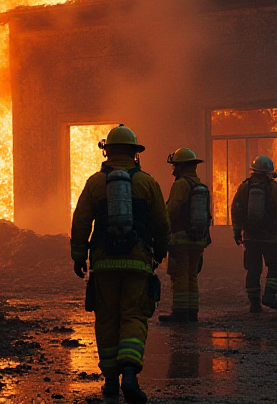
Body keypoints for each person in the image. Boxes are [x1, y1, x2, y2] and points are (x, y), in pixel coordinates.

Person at [70, 124, 170, 404]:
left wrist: (78, 255)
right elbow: (162, 224)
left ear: (107, 152)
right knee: (134, 316)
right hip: (138, 263)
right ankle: (130, 374)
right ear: (134, 153)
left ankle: (111, 381)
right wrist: (160, 252)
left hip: (103, 264)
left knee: (107, 319)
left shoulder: (94, 183)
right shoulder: (147, 182)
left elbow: (80, 221)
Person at [230, 155, 277, 313]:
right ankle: (270, 295)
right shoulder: (273, 187)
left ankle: (254, 303)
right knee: (276, 264)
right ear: (269, 172)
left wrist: (237, 230)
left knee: (253, 269)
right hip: (271, 237)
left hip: (250, 237)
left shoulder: (245, 186)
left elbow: (236, 209)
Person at [158, 147, 211, 324]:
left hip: (181, 239)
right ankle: (192, 312)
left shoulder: (181, 184)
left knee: (179, 274)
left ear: (181, 166)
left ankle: (180, 313)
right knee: (192, 274)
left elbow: (172, 210)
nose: (173, 169)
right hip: (198, 239)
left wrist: (162, 228)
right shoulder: (200, 186)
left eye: (175, 166)